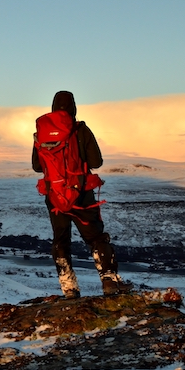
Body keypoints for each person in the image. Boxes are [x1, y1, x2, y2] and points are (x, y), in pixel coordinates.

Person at [32, 90, 130, 298]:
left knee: (60, 240)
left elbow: (36, 166)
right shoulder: (81, 130)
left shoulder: (41, 133)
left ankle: (68, 288)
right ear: (74, 107)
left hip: (54, 196)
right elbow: (96, 162)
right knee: (95, 237)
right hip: (81, 193)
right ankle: (109, 281)